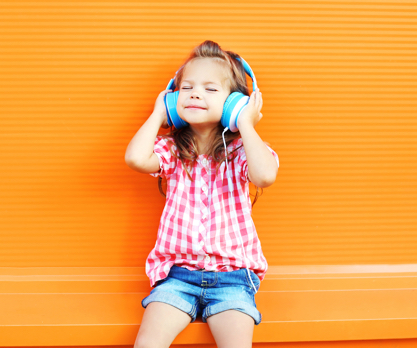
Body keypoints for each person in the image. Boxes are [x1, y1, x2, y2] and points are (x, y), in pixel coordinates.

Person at [125, 40, 279, 348]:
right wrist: (159, 113)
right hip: (177, 277)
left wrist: (245, 122)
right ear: (173, 100)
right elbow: (135, 158)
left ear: (235, 102)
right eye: (186, 89)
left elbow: (265, 175)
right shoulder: (172, 150)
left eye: (211, 89)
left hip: (233, 278)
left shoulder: (240, 152)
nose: (195, 93)